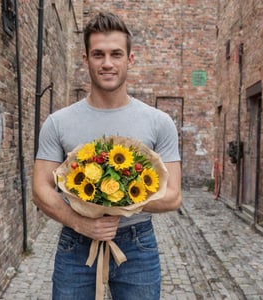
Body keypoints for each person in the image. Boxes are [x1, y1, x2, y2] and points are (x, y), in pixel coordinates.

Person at [32, 11, 181, 300]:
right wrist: (81, 222)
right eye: (98, 54)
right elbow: (40, 189)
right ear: (86, 59)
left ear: (130, 59)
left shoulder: (158, 122)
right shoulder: (58, 122)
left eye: (116, 54)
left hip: (138, 246)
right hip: (75, 244)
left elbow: (173, 195)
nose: (108, 63)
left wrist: (119, 202)